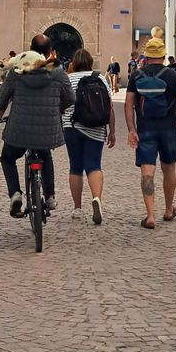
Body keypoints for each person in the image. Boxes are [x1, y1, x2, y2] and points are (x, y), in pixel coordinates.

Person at [0, 34, 74, 216]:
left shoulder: (16, 71)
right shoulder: (58, 72)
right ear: (49, 52)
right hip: (48, 127)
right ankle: (50, 196)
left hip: (19, 129)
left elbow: (4, 96)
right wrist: (59, 108)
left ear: (30, 50)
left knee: (7, 158)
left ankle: (15, 193)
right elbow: (71, 98)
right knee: (45, 154)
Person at [124, 30, 176, 227]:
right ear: (163, 56)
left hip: (145, 128)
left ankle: (150, 215)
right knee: (169, 169)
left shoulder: (137, 75)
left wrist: (131, 128)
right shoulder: (172, 76)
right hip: (168, 129)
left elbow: (128, 103)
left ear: (146, 57)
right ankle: (168, 209)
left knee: (147, 172)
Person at [64, 49, 115, 224]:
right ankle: (96, 198)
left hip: (71, 127)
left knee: (75, 166)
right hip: (96, 127)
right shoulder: (100, 78)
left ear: (74, 63)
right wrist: (112, 131)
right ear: (90, 62)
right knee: (94, 164)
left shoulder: (68, 79)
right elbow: (110, 107)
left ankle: (77, 208)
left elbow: (59, 105)